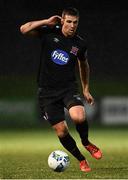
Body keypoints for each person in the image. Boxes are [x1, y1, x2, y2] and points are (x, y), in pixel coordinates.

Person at [20, 7, 102, 172]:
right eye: (69, 22)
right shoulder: (49, 33)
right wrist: (46, 21)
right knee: (61, 130)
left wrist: (86, 88)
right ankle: (81, 159)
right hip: (47, 93)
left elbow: (84, 64)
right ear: (62, 20)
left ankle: (86, 142)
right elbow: (23, 29)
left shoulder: (79, 44)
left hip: (68, 88)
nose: (72, 26)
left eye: (75, 22)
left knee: (79, 116)